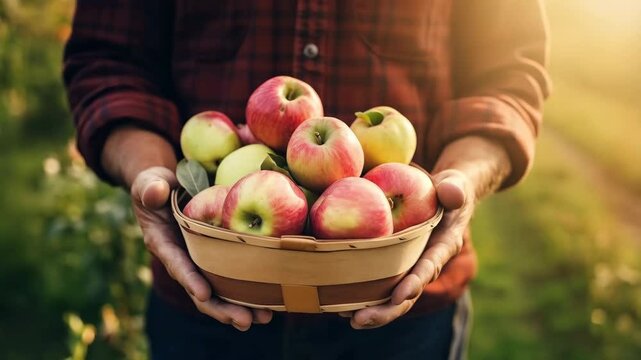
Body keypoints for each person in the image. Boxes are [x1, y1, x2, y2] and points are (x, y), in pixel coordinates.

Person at [63, 1, 550, 359]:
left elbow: (509, 74)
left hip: (401, 300)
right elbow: (108, 58)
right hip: (209, 289)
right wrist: (149, 171)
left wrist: (463, 178)